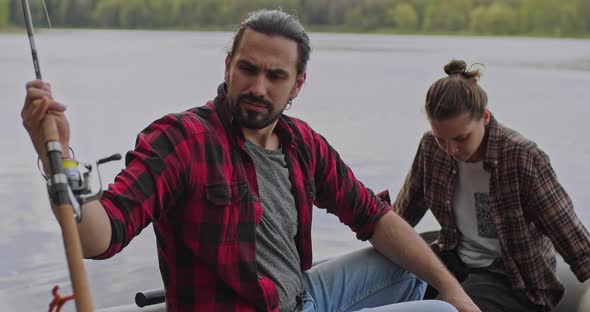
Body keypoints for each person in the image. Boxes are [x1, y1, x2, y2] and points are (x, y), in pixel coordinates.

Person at [21, 10, 479, 312]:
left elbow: (375, 217)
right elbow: (100, 238)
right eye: (248, 68)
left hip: (302, 299)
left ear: (297, 84)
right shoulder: (181, 139)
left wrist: (459, 292)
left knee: (408, 262)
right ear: (228, 66)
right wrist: (57, 157)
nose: (258, 86)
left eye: (275, 75)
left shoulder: (301, 142)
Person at [393, 59, 590, 311]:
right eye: (442, 139)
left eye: (461, 138)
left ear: (484, 117)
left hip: (514, 279)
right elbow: (403, 214)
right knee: (392, 291)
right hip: (454, 261)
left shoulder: (522, 157)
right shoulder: (431, 147)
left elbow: (571, 237)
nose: (451, 150)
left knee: (444, 308)